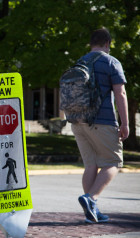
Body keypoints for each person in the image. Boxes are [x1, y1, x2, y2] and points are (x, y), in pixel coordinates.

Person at [71, 28, 129, 224]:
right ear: (107, 44)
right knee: (112, 163)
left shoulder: (80, 61)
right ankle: (91, 198)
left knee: (90, 165)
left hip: (77, 121)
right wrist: (125, 123)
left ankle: (91, 211)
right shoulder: (111, 62)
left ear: (91, 43)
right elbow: (120, 94)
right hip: (102, 121)